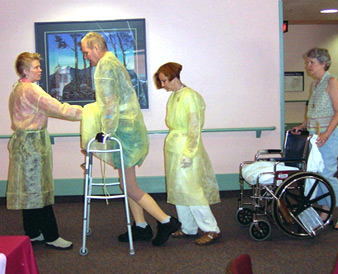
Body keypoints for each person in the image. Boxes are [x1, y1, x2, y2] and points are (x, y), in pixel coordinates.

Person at [80, 32, 181, 246]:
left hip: (123, 133)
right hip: (129, 130)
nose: (85, 56)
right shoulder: (113, 61)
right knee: (128, 183)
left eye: (86, 52)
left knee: (128, 185)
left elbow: (109, 102)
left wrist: (106, 131)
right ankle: (141, 226)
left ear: (96, 48)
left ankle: (166, 221)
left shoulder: (105, 67)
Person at [7, 52, 83, 249]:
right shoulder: (31, 89)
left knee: (29, 189)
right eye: (36, 67)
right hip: (31, 144)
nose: (40, 69)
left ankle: (32, 232)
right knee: (38, 190)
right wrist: (90, 112)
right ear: (25, 71)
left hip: (25, 143)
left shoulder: (18, 88)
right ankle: (51, 235)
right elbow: (59, 108)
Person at [154, 62, 221, 245]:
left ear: (174, 77)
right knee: (178, 190)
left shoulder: (191, 96)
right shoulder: (175, 96)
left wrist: (189, 153)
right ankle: (188, 227)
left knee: (192, 191)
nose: (162, 85)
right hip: (174, 147)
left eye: (164, 81)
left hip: (186, 148)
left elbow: (194, 127)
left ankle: (211, 229)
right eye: (161, 81)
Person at [292, 47, 338, 230]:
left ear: (323, 63)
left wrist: (326, 134)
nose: (308, 66)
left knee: (326, 174)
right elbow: (316, 111)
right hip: (317, 135)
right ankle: (326, 211)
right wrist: (302, 126)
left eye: (312, 62)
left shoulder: (332, 82)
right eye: (308, 62)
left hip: (330, 135)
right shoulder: (316, 84)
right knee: (318, 174)